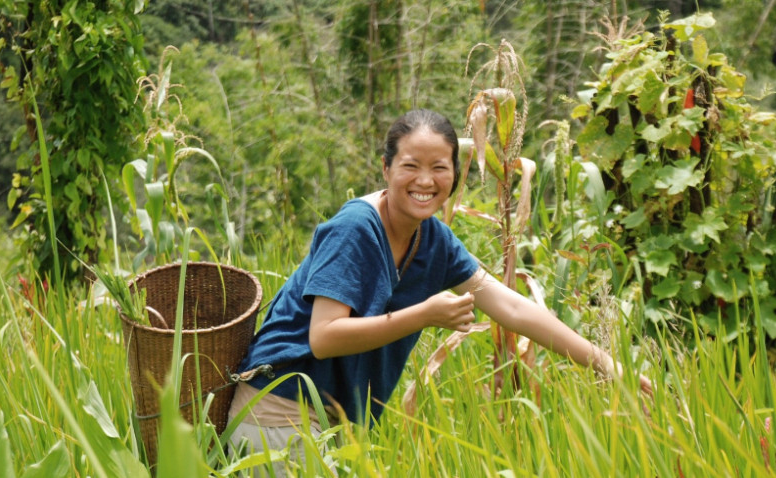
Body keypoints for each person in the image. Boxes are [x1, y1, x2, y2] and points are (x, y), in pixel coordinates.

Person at [227, 109, 652, 475]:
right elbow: (324, 337)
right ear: (386, 168)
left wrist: (606, 365)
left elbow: (512, 308)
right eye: (411, 166)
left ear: (455, 172)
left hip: (329, 423)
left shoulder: (435, 241)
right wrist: (426, 315)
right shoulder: (355, 229)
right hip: (277, 413)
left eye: (440, 168)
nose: (425, 181)